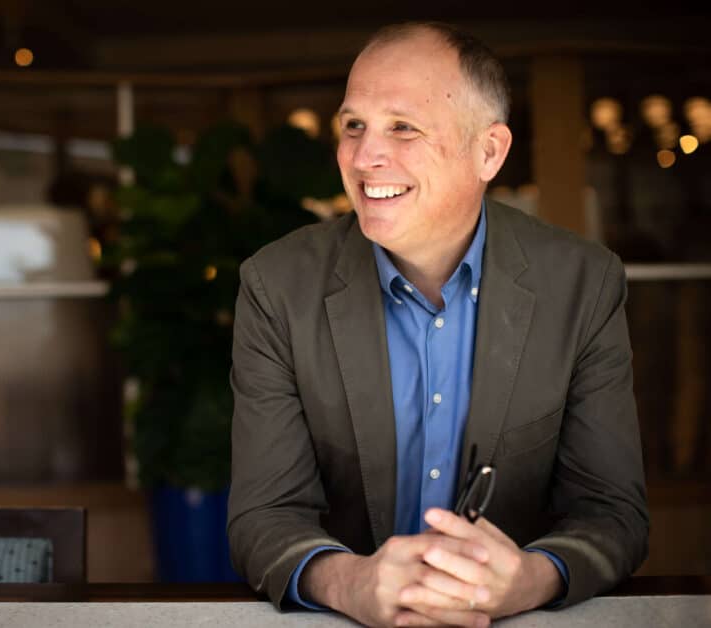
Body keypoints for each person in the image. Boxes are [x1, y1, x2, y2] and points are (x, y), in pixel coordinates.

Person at [227, 21, 648, 628]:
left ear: (490, 152)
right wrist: (352, 583)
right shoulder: (277, 286)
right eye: (353, 126)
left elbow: (614, 513)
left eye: (403, 127)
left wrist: (530, 579)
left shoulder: (583, 284)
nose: (365, 157)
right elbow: (263, 515)